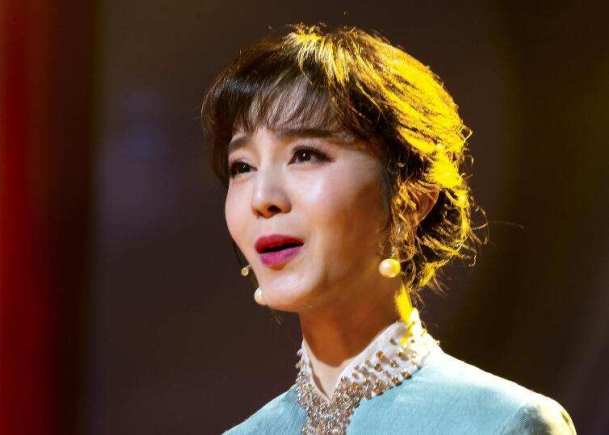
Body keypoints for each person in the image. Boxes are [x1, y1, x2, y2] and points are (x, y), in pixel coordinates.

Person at [201, 23, 577, 434]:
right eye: (243, 166)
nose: (262, 198)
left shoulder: (504, 423)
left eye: (305, 155)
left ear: (411, 200)